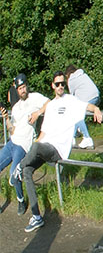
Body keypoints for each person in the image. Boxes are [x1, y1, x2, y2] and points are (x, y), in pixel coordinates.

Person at [20, 72, 103, 232]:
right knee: (27, 169)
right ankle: (36, 216)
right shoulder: (50, 106)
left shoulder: (70, 100)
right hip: (46, 147)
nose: (60, 87)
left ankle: (18, 167)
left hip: (58, 150)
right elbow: (43, 133)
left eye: (62, 84)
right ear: (52, 85)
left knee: (34, 150)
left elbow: (87, 106)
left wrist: (96, 109)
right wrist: (33, 149)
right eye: (57, 84)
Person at [1, 74, 48, 216]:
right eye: (20, 88)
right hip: (12, 142)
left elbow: (50, 103)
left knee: (13, 175)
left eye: (24, 87)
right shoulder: (16, 107)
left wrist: (38, 113)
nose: (22, 90)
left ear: (27, 86)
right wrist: (6, 119)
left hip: (23, 145)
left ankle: (21, 200)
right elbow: (12, 129)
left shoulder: (35, 97)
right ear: (16, 90)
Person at [64, 65, 100, 149]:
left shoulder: (71, 80)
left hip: (88, 99)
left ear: (67, 74)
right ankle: (72, 138)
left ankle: (87, 138)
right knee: (77, 116)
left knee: (77, 115)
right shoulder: (83, 74)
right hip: (96, 96)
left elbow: (72, 97)